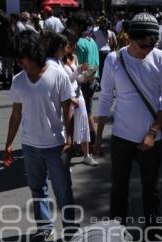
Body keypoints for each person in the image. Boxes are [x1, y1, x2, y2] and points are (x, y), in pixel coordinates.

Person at [95, 13, 162, 231]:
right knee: (119, 187)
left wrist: (153, 132)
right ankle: (116, 228)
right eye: (142, 45)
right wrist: (97, 136)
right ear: (130, 37)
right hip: (122, 137)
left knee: (151, 188)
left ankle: (153, 226)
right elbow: (105, 98)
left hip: (153, 138)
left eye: (151, 46)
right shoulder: (114, 59)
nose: (146, 50)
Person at [4, 30, 75, 242]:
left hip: (56, 145)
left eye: (21, 57)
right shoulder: (18, 81)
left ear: (34, 53)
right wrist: (8, 144)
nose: (19, 62)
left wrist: (70, 140)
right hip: (30, 145)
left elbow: (68, 109)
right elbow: (16, 115)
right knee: (37, 188)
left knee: (63, 190)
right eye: (17, 58)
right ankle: (44, 227)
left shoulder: (57, 75)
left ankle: (71, 228)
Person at [71, 12, 100, 149]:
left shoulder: (78, 43)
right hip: (94, 79)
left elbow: (77, 65)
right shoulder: (92, 41)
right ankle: (93, 140)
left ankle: (89, 141)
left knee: (83, 113)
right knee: (88, 111)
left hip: (83, 80)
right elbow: (96, 63)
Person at [0, 14, 15, 88]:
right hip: (9, 50)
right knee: (9, 67)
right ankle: (10, 82)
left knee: (4, 66)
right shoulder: (9, 29)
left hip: (2, 49)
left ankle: (4, 82)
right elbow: (11, 40)